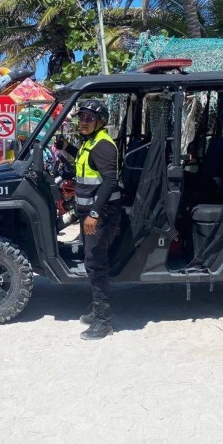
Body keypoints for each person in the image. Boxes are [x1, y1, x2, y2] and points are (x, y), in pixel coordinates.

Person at [73, 99, 121, 341]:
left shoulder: (102, 145)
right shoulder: (89, 142)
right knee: (91, 261)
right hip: (90, 214)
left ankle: (103, 321)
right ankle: (97, 310)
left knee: (96, 263)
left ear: (100, 122)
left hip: (101, 216)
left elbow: (110, 181)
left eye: (89, 118)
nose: (83, 122)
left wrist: (94, 213)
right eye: (81, 117)